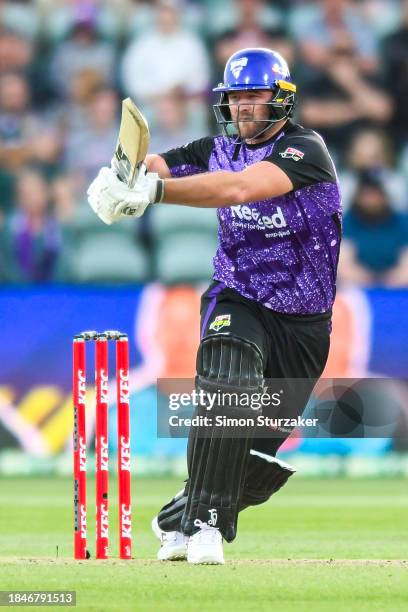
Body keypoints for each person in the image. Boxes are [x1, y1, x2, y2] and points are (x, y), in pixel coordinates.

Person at [87, 48, 342, 564]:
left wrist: (153, 192)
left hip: (304, 321)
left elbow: (241, 188)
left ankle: (179, 515)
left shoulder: (304, 150)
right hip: (237, 295)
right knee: (229, 384)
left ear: (281, 100)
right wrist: (122, 175)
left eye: (256, 95)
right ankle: (205, 527)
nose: (245, 107)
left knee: (257, 465)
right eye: (236, 97)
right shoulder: (215, 146)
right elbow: (158, 162)